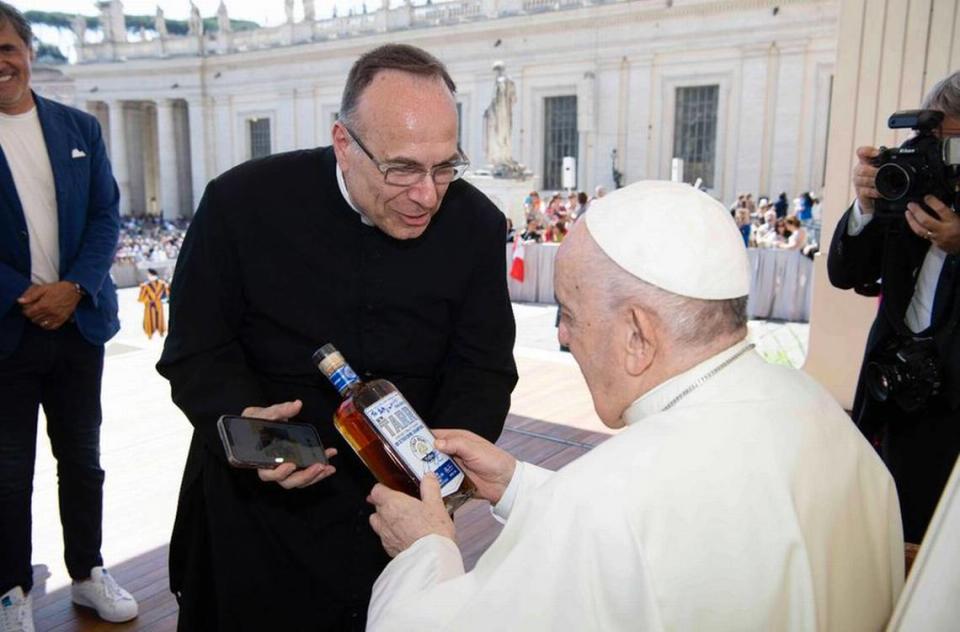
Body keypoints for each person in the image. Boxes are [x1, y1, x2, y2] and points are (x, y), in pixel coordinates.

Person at [365, 181, 903, 631]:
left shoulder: (602, 503)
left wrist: (425, 549)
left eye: (570, 313)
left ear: (639, 335)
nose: (563, 335)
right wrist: (517, 484)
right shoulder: (824, 415)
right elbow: (677, 538)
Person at [156, 44, 518, 630]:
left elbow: (483, 368)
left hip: (398, 523)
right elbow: (196, 352)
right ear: (344, 143)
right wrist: (251, 429)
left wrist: (439, 475)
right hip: (257, 519)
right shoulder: (239, 203)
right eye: (402, 169)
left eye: (445, 166)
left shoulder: (475, 225)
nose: (427, 194)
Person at [0, 4, 138, 630]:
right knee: (7, 472)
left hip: (77, 326)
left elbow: (106, 215)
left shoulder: (79, 126)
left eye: (7, 47)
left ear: (27, 49)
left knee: (83, 461)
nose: (0, 64)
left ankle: (88, 572)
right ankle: (11, 591)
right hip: (8, 329)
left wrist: (74, 287)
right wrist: (26, 296)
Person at [827, 70, 960, 544]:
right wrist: (865, 206)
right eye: (929, 143)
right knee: (875, 525)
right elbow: (846, 274)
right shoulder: (910, 193)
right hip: (890, 394)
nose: (937, 159)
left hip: (951, 416)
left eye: (951, 146)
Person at [137, 268, 169, 339]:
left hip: (158, 305)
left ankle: (161, 332)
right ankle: (150, 334)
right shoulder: (145, 286)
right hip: (150, 305)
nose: (149, 276)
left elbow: (167, 294)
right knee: (150, 320)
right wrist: (149, 299)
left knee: (159, 319)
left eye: (150, 274)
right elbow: (140, 298)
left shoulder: (162, 284)